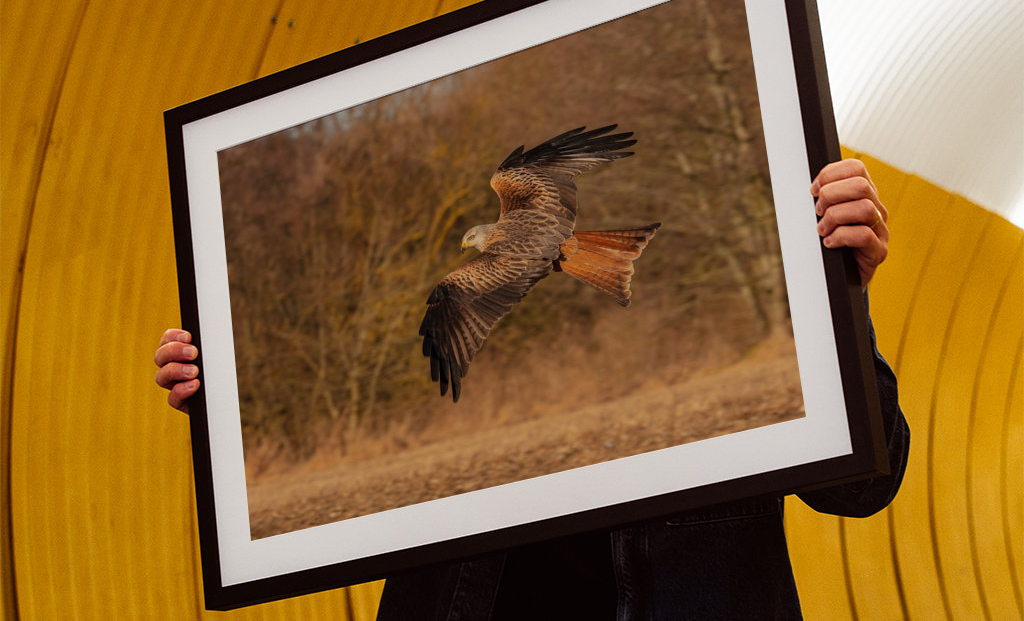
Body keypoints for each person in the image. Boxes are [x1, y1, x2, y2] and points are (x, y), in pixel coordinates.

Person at [154, 159, 909, 620]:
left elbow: (865, 487)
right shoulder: (468, 315)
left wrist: (840, 293)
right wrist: (235, 397)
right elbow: (390, 379)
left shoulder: (745, 283)